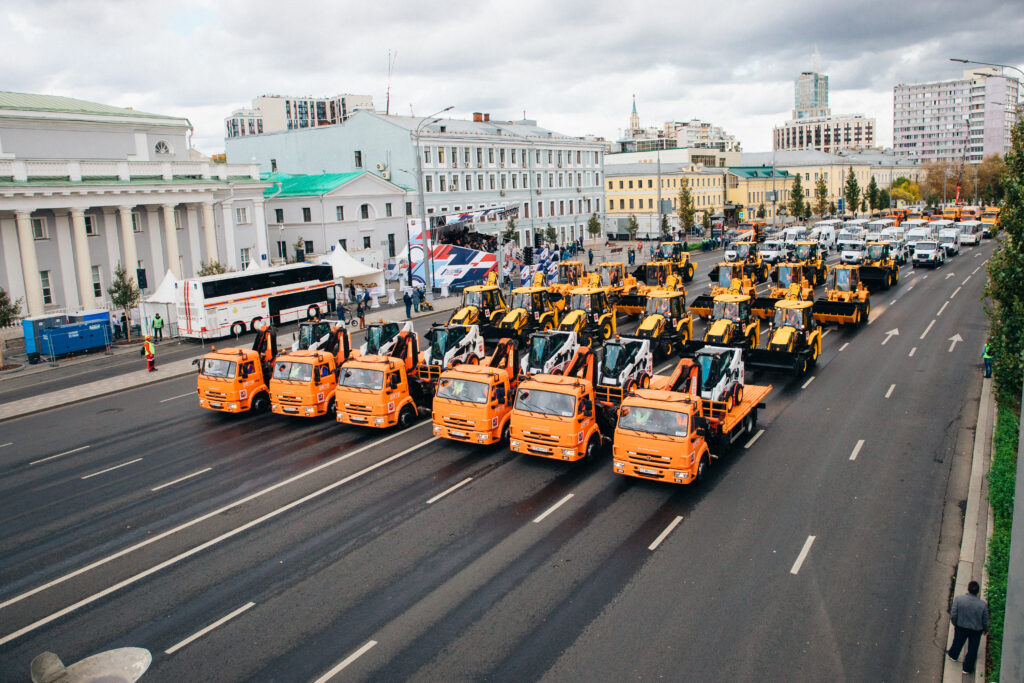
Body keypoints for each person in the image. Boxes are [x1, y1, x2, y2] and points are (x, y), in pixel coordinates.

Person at [947, 581, 989, 674]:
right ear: (977, 592)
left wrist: (955, 623)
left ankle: (953, 655)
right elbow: (985, 620)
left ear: (968, 589)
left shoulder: (959, 599)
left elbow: (953, 614)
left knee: (958, 642)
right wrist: (986, 630)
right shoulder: (982, 605)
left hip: (961, 626)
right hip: (976, 630)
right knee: (972, 649)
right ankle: (967, 668)